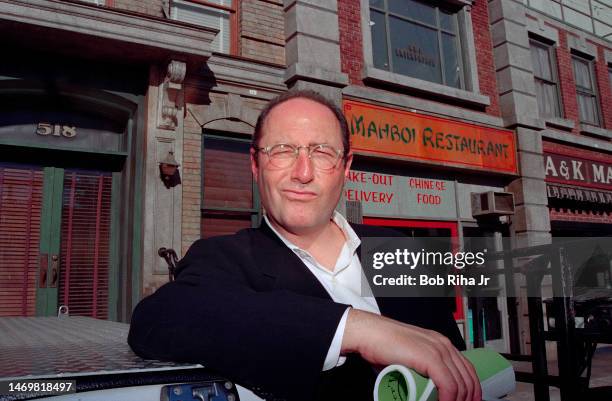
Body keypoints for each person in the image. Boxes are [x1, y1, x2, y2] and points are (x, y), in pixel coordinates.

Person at [128, 90, 481, 401]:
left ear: (345, 167)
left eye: (322, 152)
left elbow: (454, 364)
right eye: (282, 150)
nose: (302, 172)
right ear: (255, 164)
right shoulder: (224, 258)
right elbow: (158, 319)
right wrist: (353, 328)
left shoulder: (401, 252)